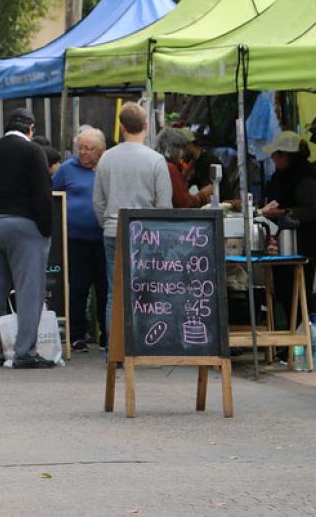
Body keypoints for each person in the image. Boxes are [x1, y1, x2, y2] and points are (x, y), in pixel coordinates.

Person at [0, 108, 53, 368]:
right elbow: (42, 194)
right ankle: (24, 352)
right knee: (29, 290)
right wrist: (46, 229)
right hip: (22, 226)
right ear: (31, 129)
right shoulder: (33, 152)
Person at [94, 102, 172, 337]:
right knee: (149, 291)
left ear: (121, 127)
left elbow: (97, 202)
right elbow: (164, 206)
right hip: (148, 234)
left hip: (113, 230)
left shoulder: (106, 159)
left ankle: (114, 350)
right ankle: (146, 343)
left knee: (114, 294)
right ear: (146, 126)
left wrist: (106, 223)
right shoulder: (156, 160)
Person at [262, 131, 316, 321]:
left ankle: (302, 333)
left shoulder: (305, 177)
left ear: (286, 155)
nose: (272, 157)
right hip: (288, 241)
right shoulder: (283, 175)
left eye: (276, 153)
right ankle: (293, 336)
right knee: (285, 289)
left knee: (297, 290)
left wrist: (285, 213)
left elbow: (313, 209)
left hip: (307, 241)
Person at [52, 128, 108, 352]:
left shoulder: (107, 167)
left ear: (101, 150)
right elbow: (52, 195)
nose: (83, 153)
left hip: (104, 238)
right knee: (77, 288)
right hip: (75, 240)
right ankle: (76, 335)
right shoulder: (67, 169)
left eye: (89, 149)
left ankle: (107, 336)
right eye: (80, 148)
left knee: (105, 289)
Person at [155, 128, 212, 208]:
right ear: (173, 149)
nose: (183, 153)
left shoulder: (158, 163)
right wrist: (202, 197)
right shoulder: (169, 168)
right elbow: (184, 203)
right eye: (182, 149)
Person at [181, 129, 231, 200]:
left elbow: (208, 192)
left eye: (182, 148)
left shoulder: (207, 161)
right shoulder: (196, 162)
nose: (181, 153)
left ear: (190, 145)